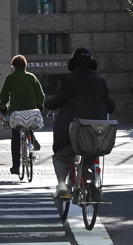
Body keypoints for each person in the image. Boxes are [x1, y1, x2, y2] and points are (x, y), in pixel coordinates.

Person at [44, 47, 115, 199]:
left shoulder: (69, 80)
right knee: (90, 153)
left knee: (62, 156)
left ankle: (62, 185)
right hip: (96, 132)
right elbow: (111, 106)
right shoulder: (101, 81)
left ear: (73, 64)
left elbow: (57, 101)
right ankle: (91, 182)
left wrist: (47, 104)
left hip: (73, 130)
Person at [0, 53, 46, 175]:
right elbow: (41, 96)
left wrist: (3, 106)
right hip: (31, 111)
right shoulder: (32, 77)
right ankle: (32, 140)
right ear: (25, 65)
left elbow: (3, 96)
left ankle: (16, 167)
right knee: (29, 122)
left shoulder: (10, 78)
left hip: (16, 113)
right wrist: (39, 106)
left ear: (14, 66)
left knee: (15, 136)